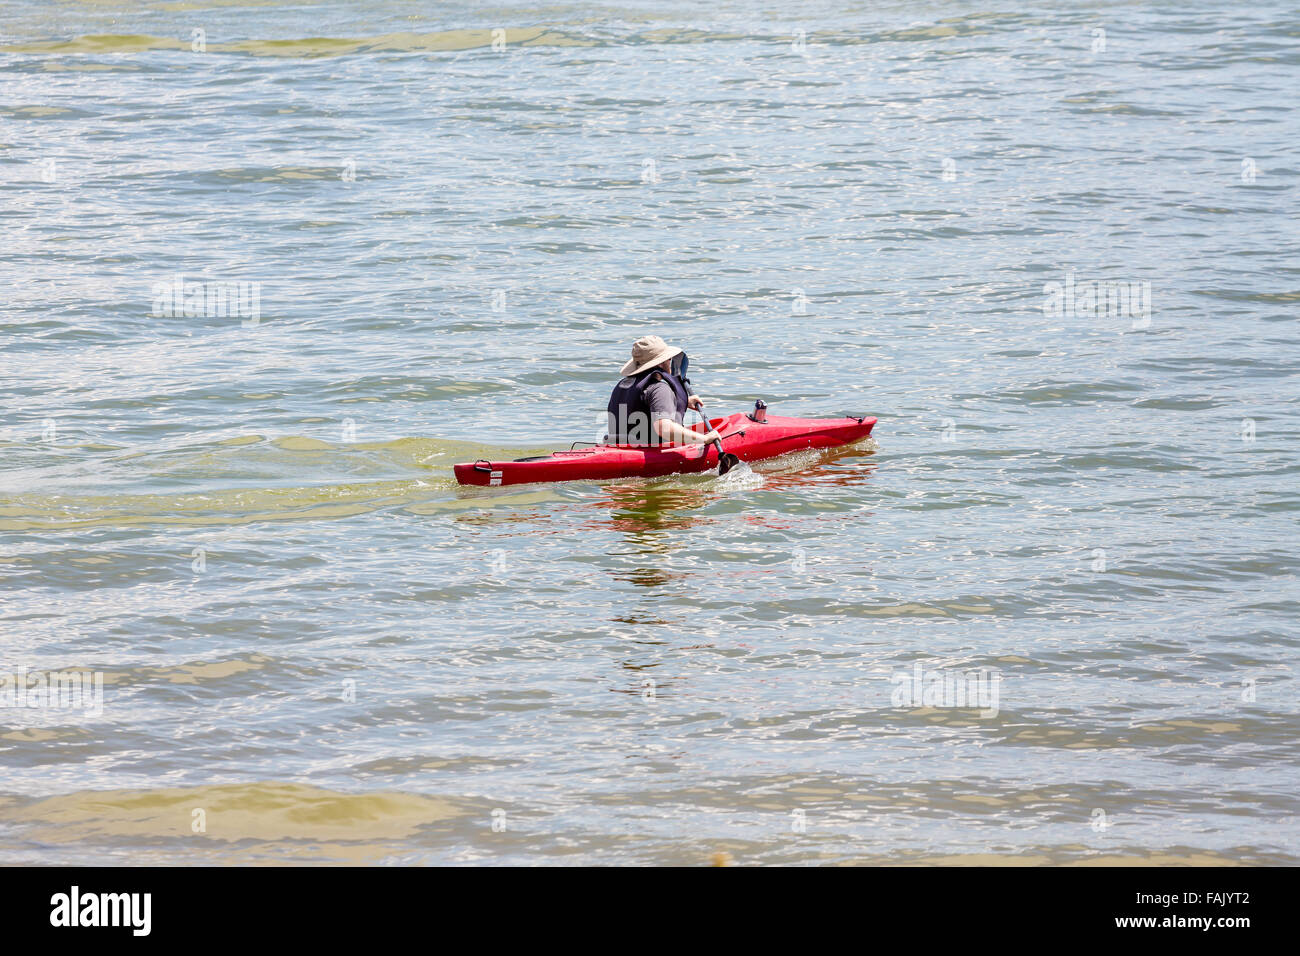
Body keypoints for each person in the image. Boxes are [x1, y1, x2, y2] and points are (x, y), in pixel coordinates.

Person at [606, 335, 721, 446]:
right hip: (649, 456)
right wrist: (705, 439)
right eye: (668, 358)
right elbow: (664, 429)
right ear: (660, 363)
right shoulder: (659, 389)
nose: (670, 361)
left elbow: (638, 407)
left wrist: (681, 402)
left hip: (619, 448)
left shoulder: (622, 385)